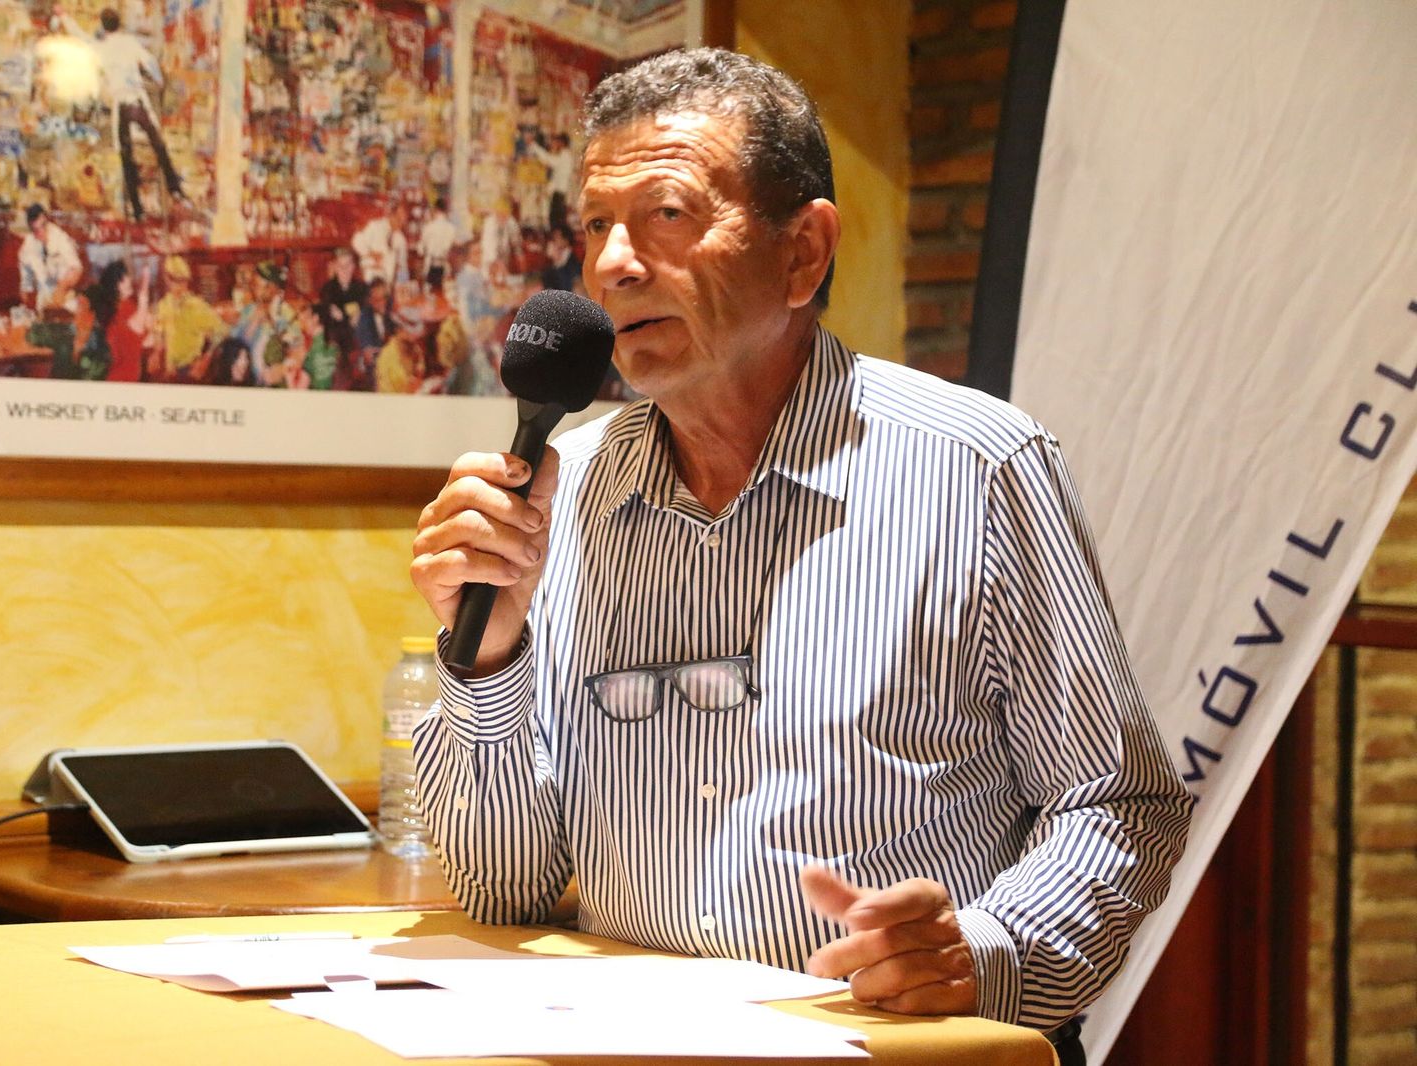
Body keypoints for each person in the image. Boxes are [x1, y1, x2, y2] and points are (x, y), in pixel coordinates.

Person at [408, 48, 1192, 1052]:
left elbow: (1117, 801)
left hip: (901, 1050)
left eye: (669, 214)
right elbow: (501, 887)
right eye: (596, 225)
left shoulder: (976, 469)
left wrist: (990, 949)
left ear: (802, 252)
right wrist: (486, 655)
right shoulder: (566, 486)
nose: (612, 262)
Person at [54, 7, 188, 221]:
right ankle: (175, 188)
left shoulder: (102, 47)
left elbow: (80, 38)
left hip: (122, 106)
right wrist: (159, 81)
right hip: (137, 101)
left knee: (126, 157)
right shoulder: (129, 43)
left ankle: (137, 210)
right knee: (158, 144)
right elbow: (150, 62)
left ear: (103, 26)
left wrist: (64, 17)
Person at [18, 204, 84, 377]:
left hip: (66, 307)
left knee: (64, 346)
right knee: (33, 344)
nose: (41, 233)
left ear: (47, 221)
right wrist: (27, 304)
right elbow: (26, 283)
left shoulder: (61, 239)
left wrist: (62, 287)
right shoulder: (28, 246)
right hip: (43, 308)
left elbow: (76, 269)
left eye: (43, 226)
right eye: (35, 230)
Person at [153, 255, 225, 381]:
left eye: (183, 280)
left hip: (191, 369)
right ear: (167, 279)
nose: (180, 286)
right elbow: (159, 331)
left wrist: (205, 359)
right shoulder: (164, 305)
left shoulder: (197, 306)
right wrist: (157, 353)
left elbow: (221, 331)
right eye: (175, 280)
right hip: (171, 371)